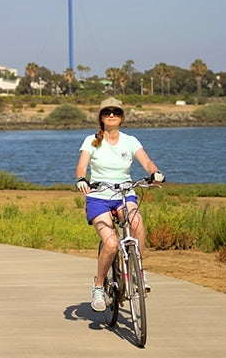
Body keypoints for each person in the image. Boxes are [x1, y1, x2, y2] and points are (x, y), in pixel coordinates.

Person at [75, 97, 165, 312]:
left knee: (137, 224)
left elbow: (146, 162)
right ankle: (98, 286)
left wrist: (154, 173)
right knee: (112, 244)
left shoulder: (130, 141)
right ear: (101, 117)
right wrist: (81, 179)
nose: (112, 115)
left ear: (122, 117)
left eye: (116, 112)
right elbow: (81, 167)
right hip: (98, 196)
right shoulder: (91, 140)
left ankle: (138, 273)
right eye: (107, 112)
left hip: (124, 194)